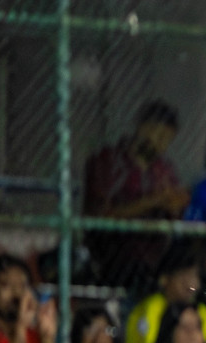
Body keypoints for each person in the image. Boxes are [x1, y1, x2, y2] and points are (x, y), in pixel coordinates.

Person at [82, 100, 191, 284]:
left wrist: (175, 206)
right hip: (112, 253)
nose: (161, 144)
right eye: (158, 135)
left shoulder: (164, 169)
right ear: (141, 128)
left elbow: (175, 211)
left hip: (154, 255)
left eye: (167, 139)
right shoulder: (108, 161)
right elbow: (100, 214)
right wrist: (152, 201)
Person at [123, 244, 206, 343]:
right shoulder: (152, 307)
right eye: (184, 275)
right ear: (164, 278)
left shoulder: (203, 313)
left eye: (195, 276)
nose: (191, 283)